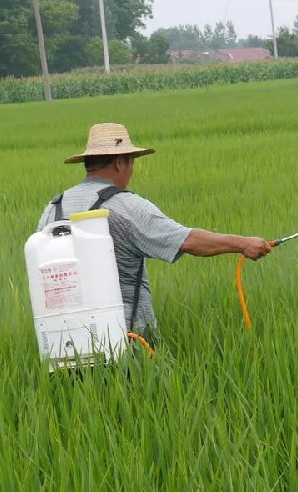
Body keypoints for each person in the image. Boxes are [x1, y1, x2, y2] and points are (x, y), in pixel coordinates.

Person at [37, 122, 272, 343]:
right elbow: (188, 241)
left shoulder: (53, 208)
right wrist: (243, 244)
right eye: (131, 162)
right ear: (120, 162)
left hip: (64, 339)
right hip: (127, 339)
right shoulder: (127, 207)